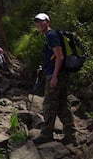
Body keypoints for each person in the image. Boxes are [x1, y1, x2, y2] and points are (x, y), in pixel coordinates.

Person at [32, 13, 77, 145]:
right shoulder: (50, 36)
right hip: (59, 74)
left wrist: (54, 77)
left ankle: (46, 134)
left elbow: (60, 56)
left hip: (56, 75)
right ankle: (71, 135)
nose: (39, 24)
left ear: (48, 22)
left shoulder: (51, 35)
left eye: (41, 21)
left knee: (49, 105)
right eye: (37, 22)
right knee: (63, 105)